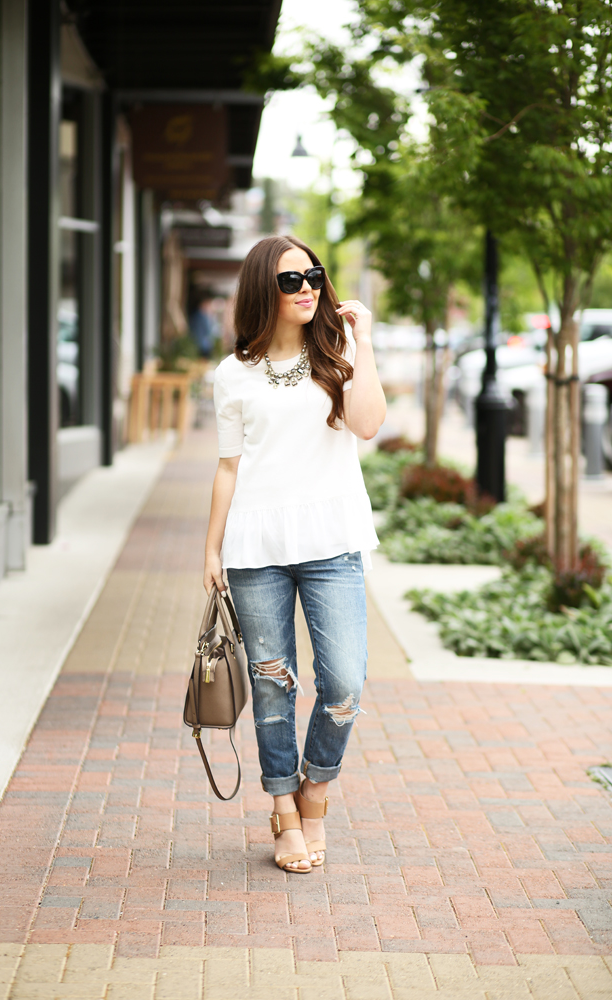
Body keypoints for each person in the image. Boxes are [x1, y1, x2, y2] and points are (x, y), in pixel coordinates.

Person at [203, 235, 386, 874]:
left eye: (313, 274)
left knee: (343, 682)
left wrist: (363, 343)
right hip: (256, 545)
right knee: (272, 686)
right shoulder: (233, 373)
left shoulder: (337, 352)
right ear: (264, 291)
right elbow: (228, 467)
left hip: (332, 542)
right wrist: (211, 550)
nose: (306, 287)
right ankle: (285, 812)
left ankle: (317, 787)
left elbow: (367, 425)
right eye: (289, 281)